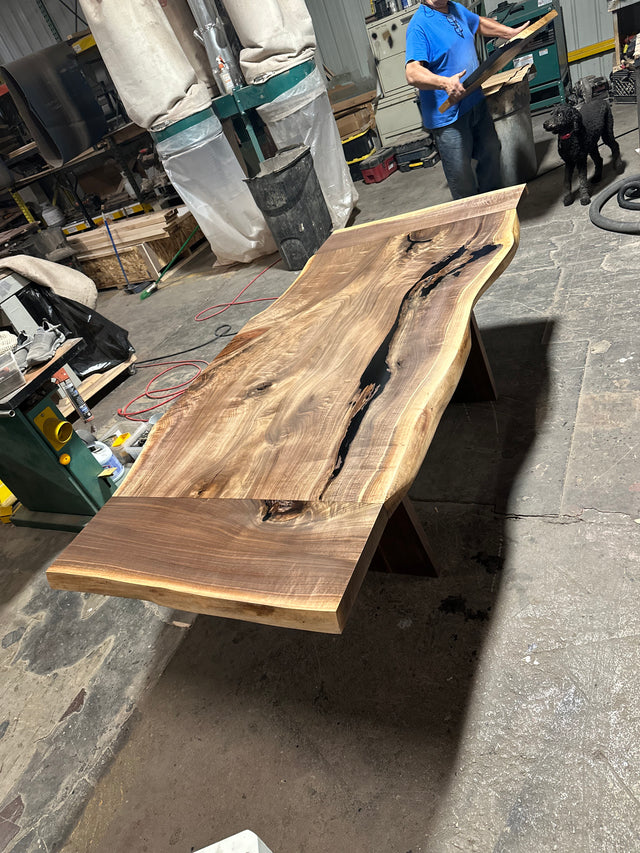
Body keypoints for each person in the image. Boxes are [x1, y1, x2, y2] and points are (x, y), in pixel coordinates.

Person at [405, 0, 529, 199]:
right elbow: (412, 73)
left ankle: (492, 208)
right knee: (462, 177)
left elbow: (477, 22)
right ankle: (472, 221)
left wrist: (509, 33)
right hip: (448, 118)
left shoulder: (454, 8)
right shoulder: (419, 25)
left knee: (491, 151)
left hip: (475, 101)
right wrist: (444, 83)